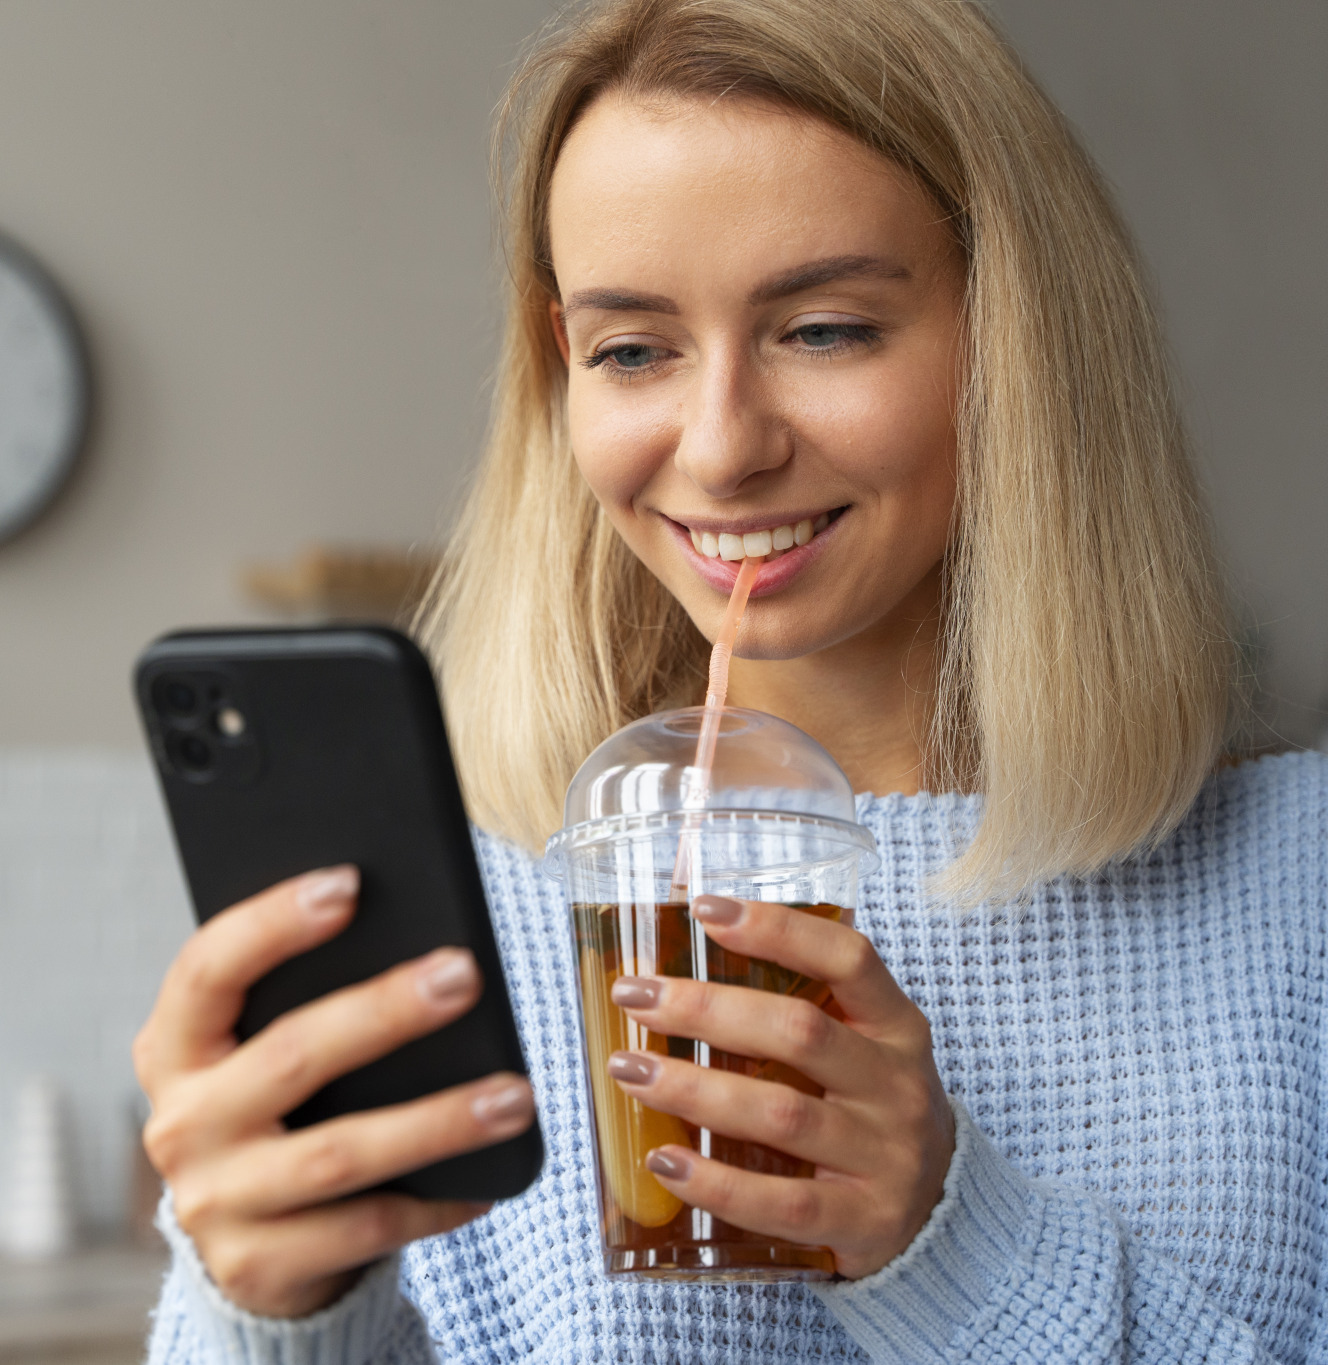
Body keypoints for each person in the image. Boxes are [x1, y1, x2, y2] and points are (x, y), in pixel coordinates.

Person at [133, 0, 1328, 1359]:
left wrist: (945, 1237)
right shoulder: (480, 929)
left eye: (823, 329)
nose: (720, 448)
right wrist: (272, 1312)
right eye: (633, 348)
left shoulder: (1304, 895)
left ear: (1019, 341)